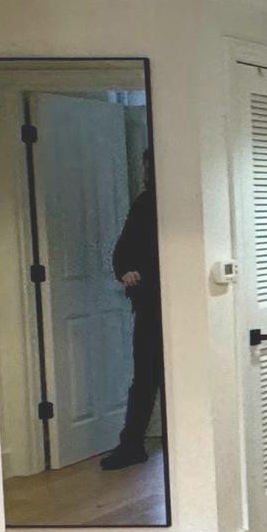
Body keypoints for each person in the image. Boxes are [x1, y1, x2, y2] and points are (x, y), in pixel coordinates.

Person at [99, 153, 161, 470]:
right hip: (151, 304)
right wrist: (126, 271)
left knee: (173, 378)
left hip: (182, 305)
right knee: (145, 379)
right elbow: (124, 250)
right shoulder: (146, 202)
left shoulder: (188, 202)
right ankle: (132, 444)